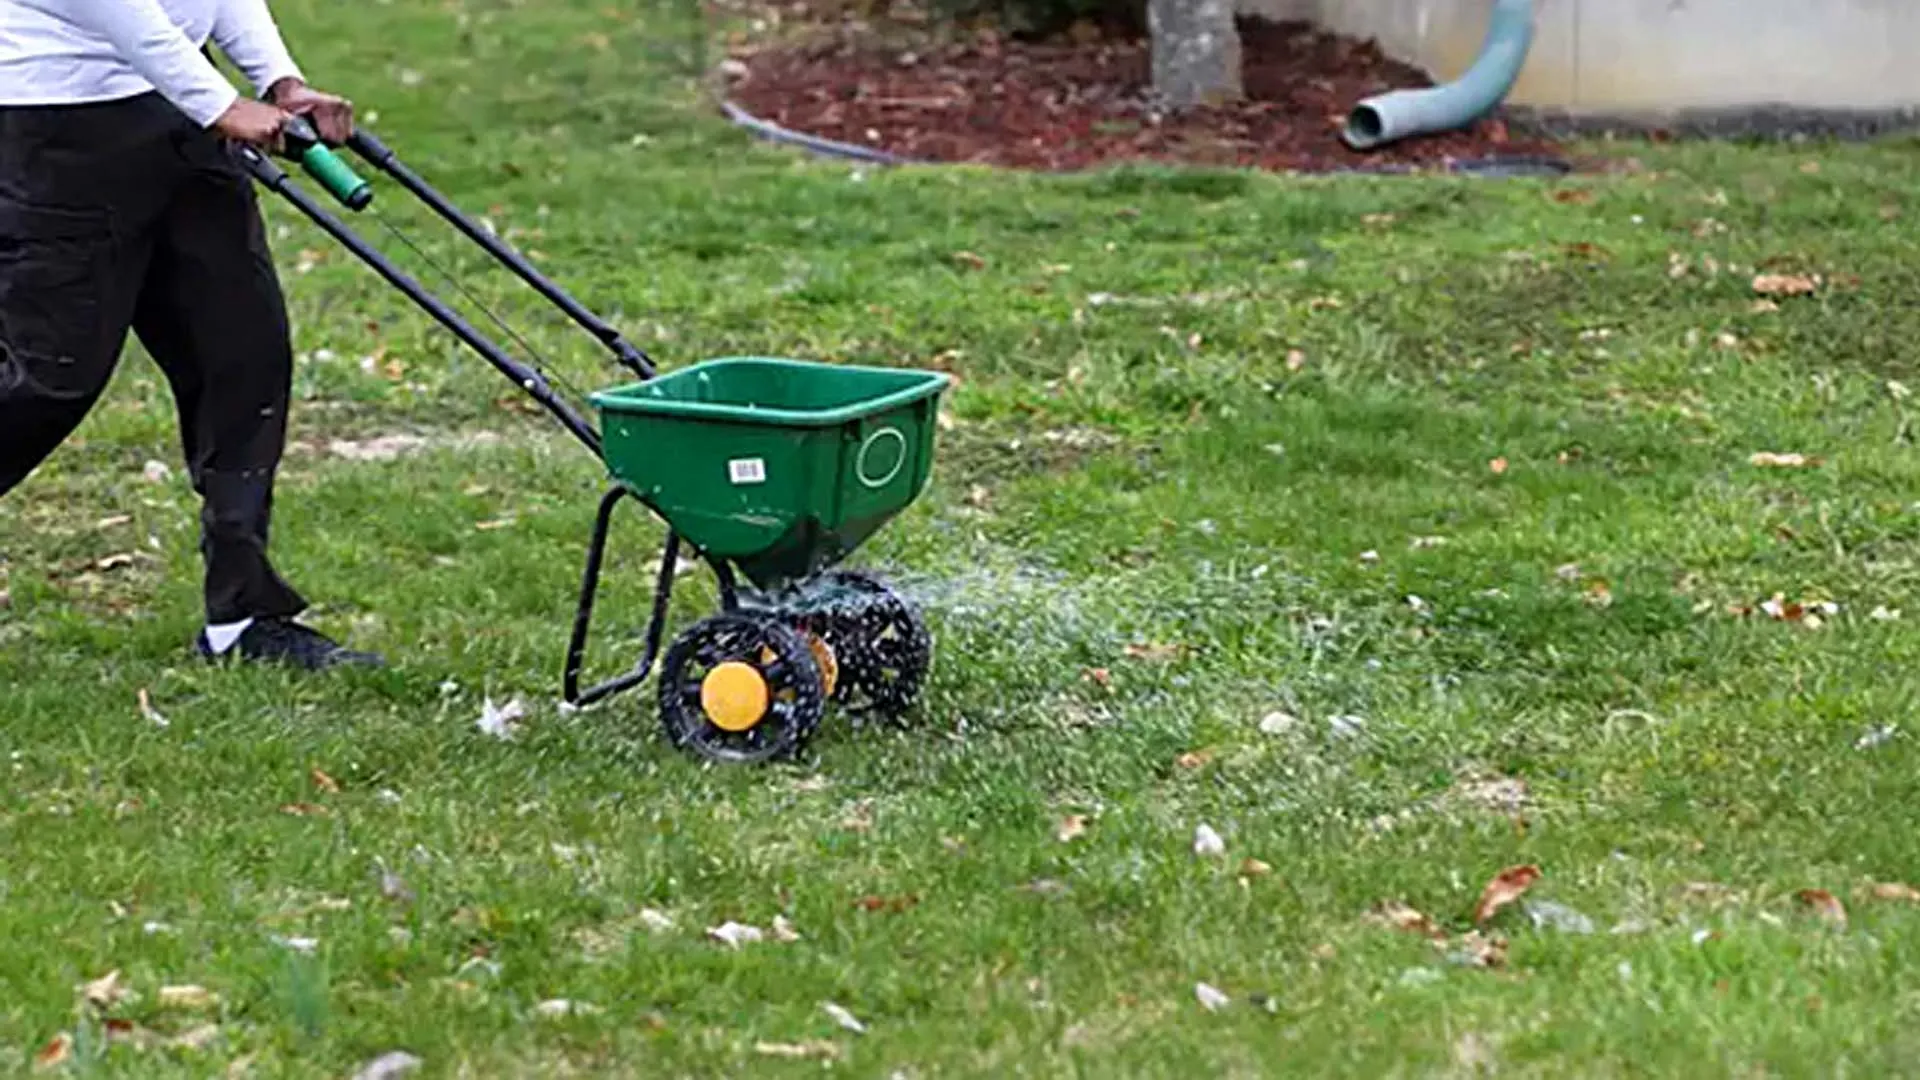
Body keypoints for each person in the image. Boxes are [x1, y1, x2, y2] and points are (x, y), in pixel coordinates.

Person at [0, 0, 381, 670]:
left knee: (242, 354)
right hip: (57, 118)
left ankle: (243, 617)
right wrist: (217, 103)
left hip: (179, 103)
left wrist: (279, 81)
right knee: (46, 380)